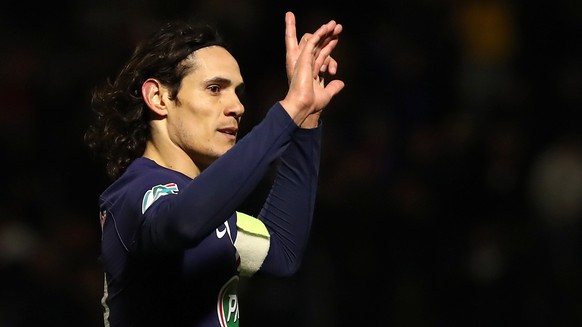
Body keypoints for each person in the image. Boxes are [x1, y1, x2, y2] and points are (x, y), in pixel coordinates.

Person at [84, 10, 344, 327]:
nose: (237, 106)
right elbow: (183, 223)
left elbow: (281, 253)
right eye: (214, 88)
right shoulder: (133, 194)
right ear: (158, 98)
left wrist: (306, 120)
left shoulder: (212, 214)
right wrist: (289, 109)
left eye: (238, 92)